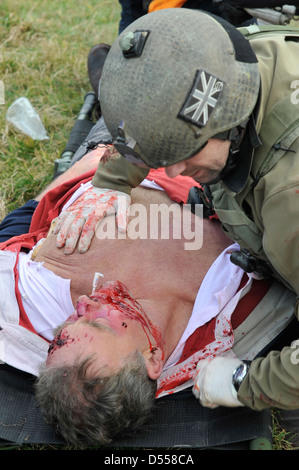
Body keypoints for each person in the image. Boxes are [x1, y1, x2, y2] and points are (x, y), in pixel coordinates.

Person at [52, 8, 299, 413]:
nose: (172, 172)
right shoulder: (226, 59)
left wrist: (245, 383)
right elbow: (168, 108)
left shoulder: (288, 198)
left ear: (232, 122)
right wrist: (115, 178)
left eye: (185, 154)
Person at [1, 141, 296, 446]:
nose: (84, 303)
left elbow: (18, 223)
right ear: (153, 358)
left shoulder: (31, 304)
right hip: (215, 150)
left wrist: (92, 161)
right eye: (100, 323)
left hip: (112, 151)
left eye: (70, 320)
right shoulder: (230, 314)